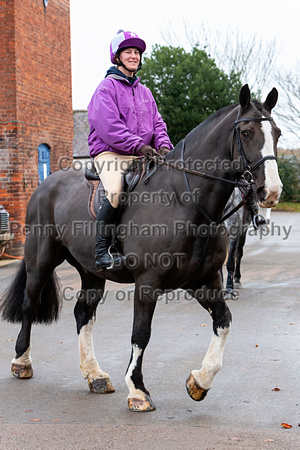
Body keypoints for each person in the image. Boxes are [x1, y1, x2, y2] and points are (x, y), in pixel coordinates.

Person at [87, 30, 173, 271]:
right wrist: (139, 146)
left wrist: (164, 145)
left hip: (140, 153)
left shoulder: (145, 92)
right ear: (117, 56)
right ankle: (102, 250)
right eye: (129, 52)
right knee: (115, 191)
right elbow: (109, 127)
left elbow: (158, 124)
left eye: (137, 52)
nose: (134, 56)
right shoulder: (106, 88)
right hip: (109, 152)